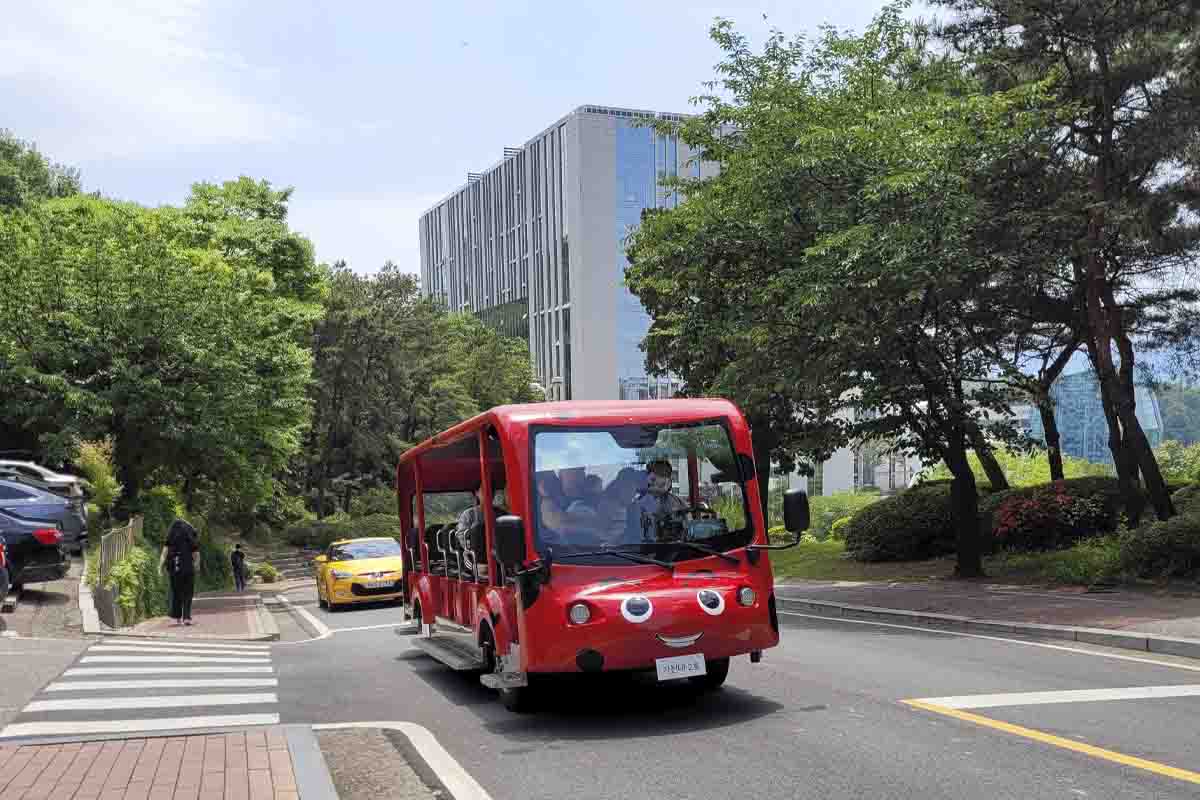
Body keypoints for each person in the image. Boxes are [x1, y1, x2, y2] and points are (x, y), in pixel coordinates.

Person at [627, 459, 688, 542]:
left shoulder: (678, 503)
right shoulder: (636, 505)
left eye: (666, 475)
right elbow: (633, 536)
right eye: (659, 474)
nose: (663, 479)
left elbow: (685, 531)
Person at [159, 519, 199, 626]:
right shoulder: (190, 537)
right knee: (188, 592)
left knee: (176, 591)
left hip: (173, 567)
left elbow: (164, 554)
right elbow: (196, 553)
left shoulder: (170, 538)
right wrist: (196, 565)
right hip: (187, 567)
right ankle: (186, 617)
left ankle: (177, 616)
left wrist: (160, 567)